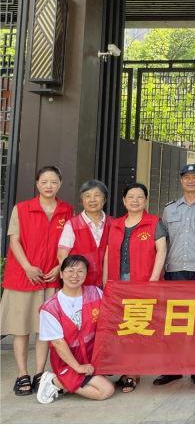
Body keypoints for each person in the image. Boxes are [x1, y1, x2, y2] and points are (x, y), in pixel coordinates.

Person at [0, 166, 74, 397]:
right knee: (21, 329)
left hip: (51, 278)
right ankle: (22, 373)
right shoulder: (21, 208)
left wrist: (59, 268)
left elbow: (68, 243)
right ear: (37, 184)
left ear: (60, 184)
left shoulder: (67, 210)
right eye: (44, 182)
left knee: (45, 329)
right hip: (22, 277)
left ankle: (39, 373)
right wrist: (27, 267)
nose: (49, 186)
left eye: (53, 182)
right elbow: (14, 241)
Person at [153, 164, 195, 387]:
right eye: (186, 177)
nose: (191, 181)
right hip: (175, 271)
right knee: (175, 322)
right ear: (181, 181)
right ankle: (172, 369)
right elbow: (164, 243)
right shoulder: (170, 209)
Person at [103, 182, 167, 393]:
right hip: (118, 283)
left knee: (136, 327)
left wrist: (153, 279)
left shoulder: (154, 222)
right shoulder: (115, 224)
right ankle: (125, 371)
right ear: (124, 200)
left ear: (145, 200)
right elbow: (107, 253)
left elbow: (161, 251)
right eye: (130, 196)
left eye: (140, 196)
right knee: (120, 328)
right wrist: (105, 281)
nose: (135, 200)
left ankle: (132, 373)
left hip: (142, 283)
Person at [35, 255, 115, 404]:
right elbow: (58, 343)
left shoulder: (95, 293)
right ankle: (54, 382)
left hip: (92, 358)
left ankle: (68, 382)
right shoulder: (50, 307)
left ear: (86, 274)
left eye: (80, 271)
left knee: (107, 383)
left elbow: (109, 320)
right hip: (67, 362)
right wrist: (78, 367)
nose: (75, 275)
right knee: (105, 390)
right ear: (61, 274)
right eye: (70, 271)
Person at [57, 180, 112, 289]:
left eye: (97, 195)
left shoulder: (113, 224)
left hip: (106, 284)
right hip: (79, 284)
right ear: (81, 200)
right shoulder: (72, 224)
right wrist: (70, 279)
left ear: (104, 198)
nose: (92, 199)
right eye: (87, 196)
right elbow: (62, 256)